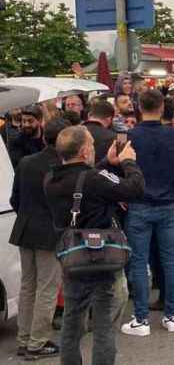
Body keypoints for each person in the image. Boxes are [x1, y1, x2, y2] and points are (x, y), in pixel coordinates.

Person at [44, 126, 145, 365]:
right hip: (101, 258)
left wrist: (105, 162)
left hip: (72, 257)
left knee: (71, 320)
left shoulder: (50, 178)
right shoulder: (93, 179)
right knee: (103, 325)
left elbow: (84, 181)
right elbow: (135, 188)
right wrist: (128, 162)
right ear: (84, 150)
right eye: (91, 144)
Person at [121, 90, 174, 337]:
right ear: (162, 108)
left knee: (139, 261)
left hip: (139, 203)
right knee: (171, 259)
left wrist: (125, 192)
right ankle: (172, 316)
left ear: (139, 107)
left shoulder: (131, 135)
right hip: (168, 203)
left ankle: (141, 319)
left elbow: (120, 165)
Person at [9, 118, 70, 360]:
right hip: (49, 232)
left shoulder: (26, 162)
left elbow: (16, 198)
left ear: (45, 136)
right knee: (47, 288)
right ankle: (37, 342)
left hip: (25, 228)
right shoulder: (62, 167)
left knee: (28, 286)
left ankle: (24, 339)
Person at [10, 105, 45, 169]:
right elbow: (19, 166)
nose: (26, 125)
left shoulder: (47, 135)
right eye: (24, 121)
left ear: (40, 120)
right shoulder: (17, 141)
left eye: (30, 121)